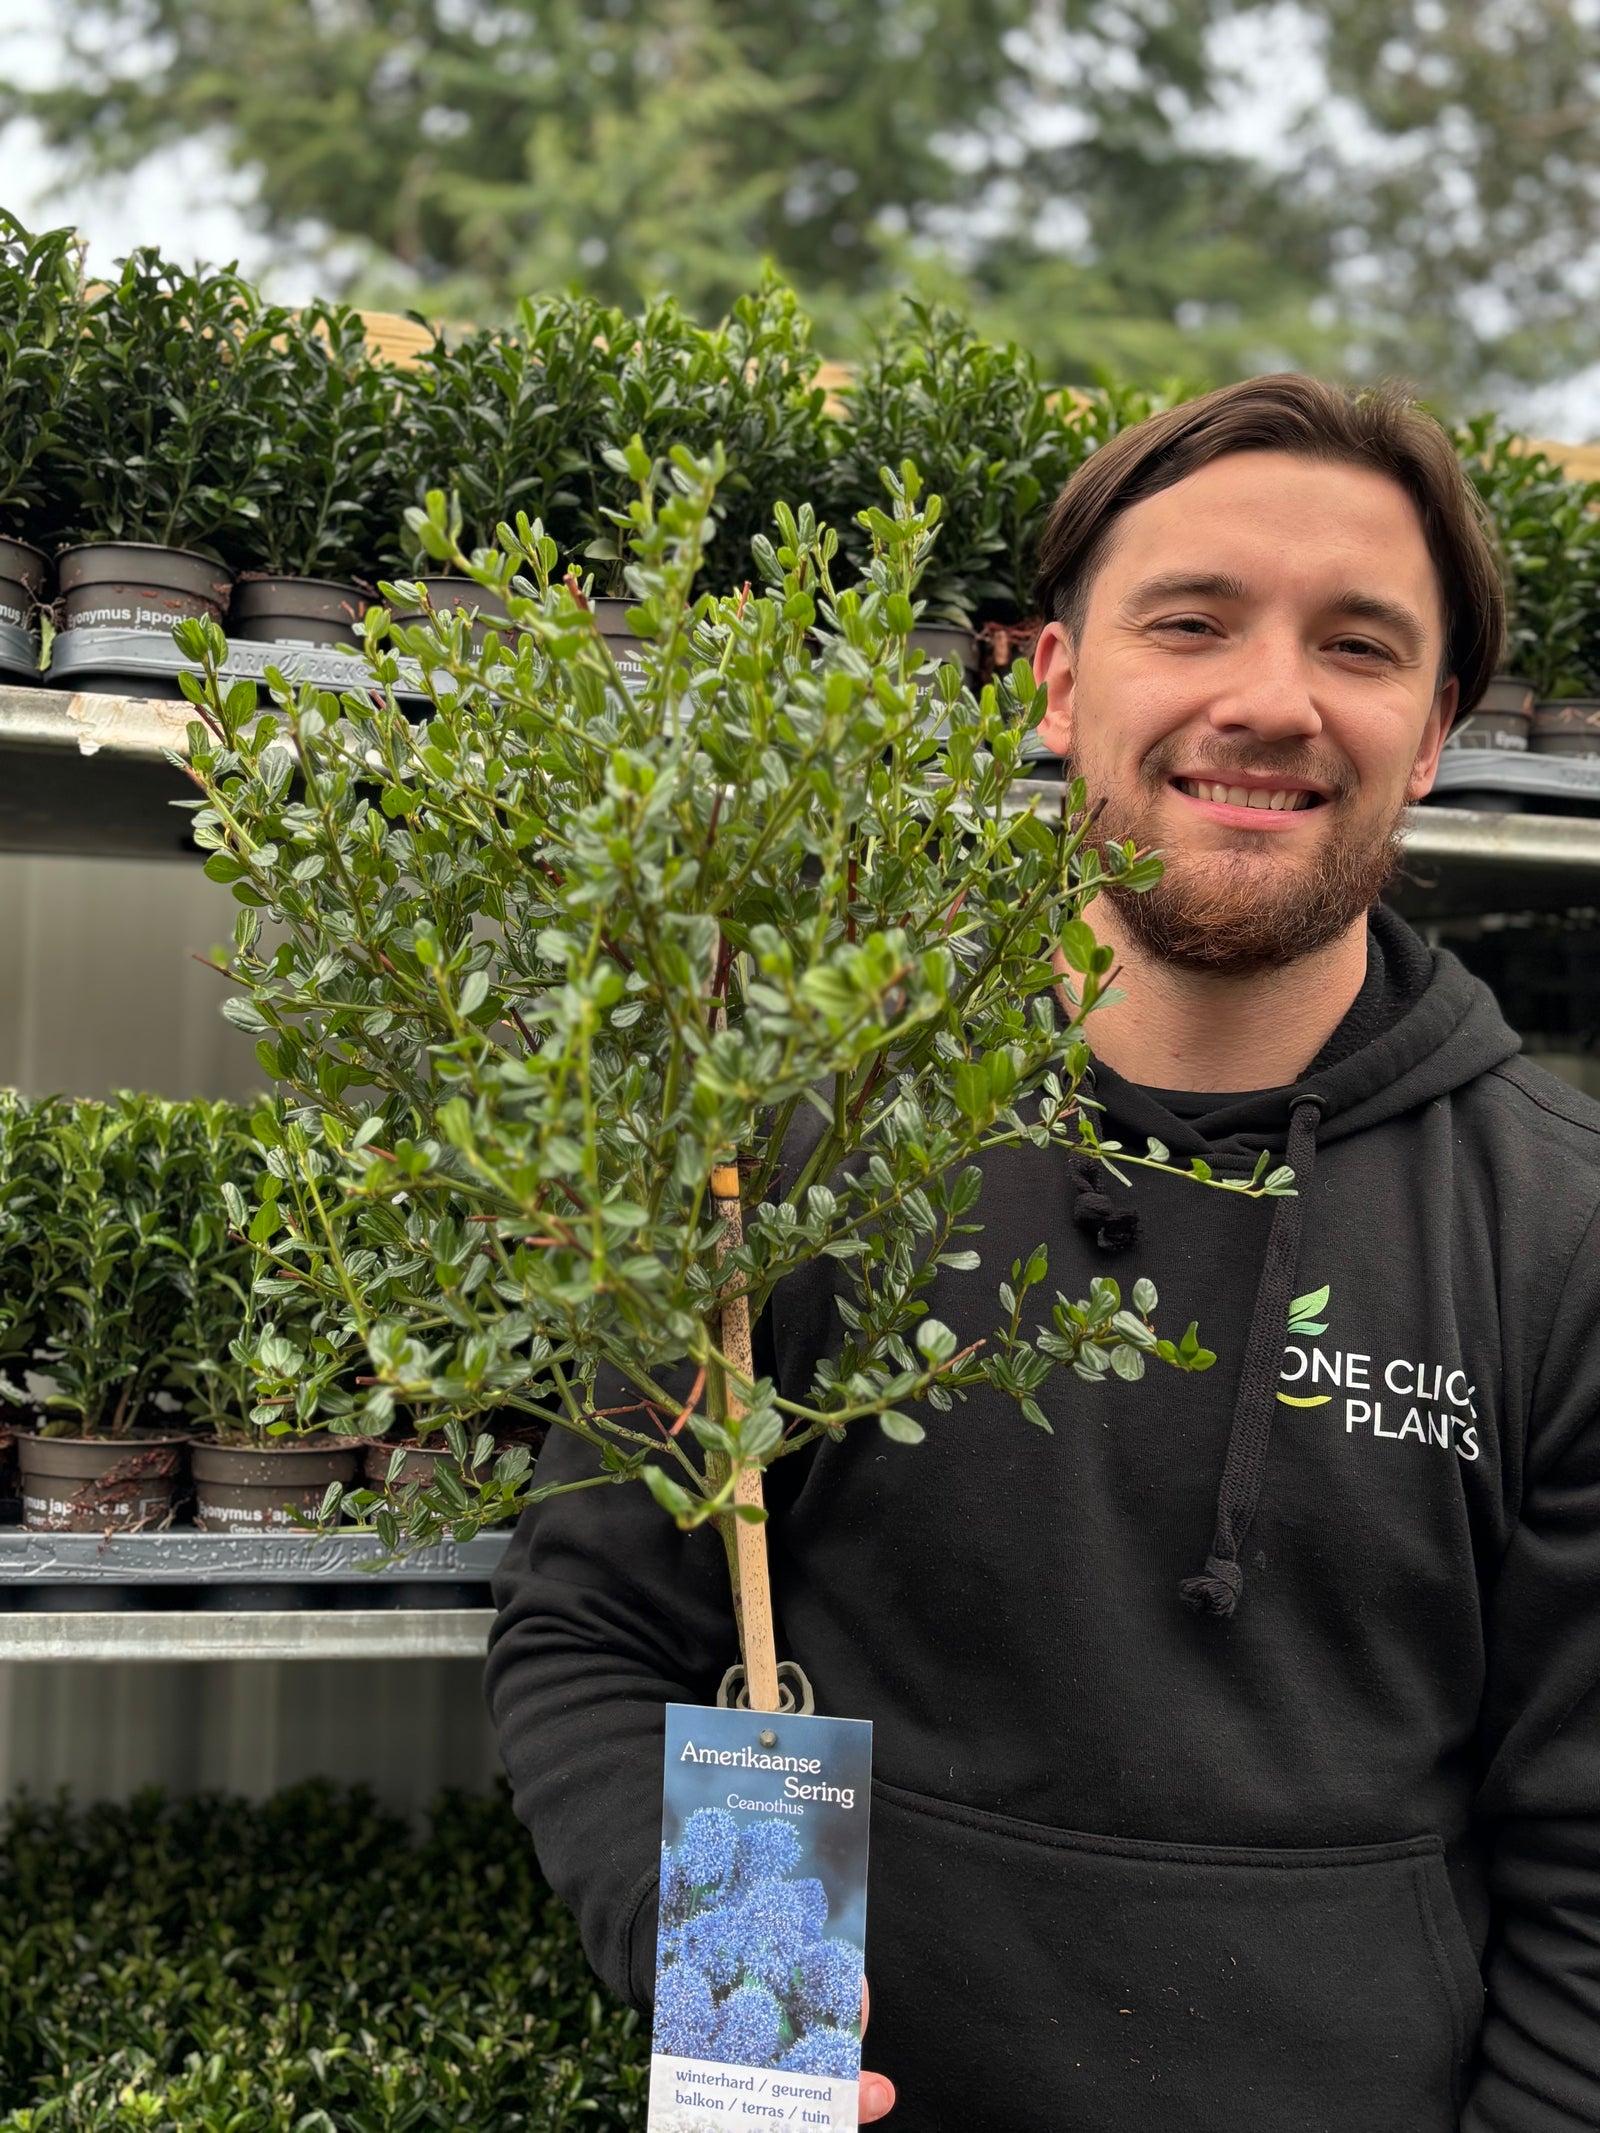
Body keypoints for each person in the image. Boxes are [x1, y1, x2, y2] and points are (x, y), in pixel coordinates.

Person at [486, 375, 1600, 2131]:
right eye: (1193, 619)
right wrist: (735, 1993)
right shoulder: (777, 1148)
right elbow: (599, 1633)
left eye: (1363, 644)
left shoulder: (1560, 1232)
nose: (1271, 698)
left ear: (1440, 724)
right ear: (1058, 681)